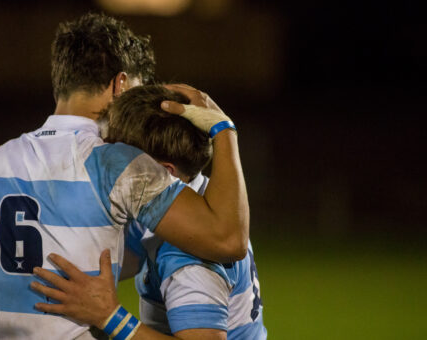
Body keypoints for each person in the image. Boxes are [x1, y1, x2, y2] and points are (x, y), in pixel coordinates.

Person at [0, 13, 249, 340]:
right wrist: (224, 129)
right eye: (138, 91)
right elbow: (228, 240)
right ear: (120, 84)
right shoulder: (121, 166)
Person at [31, 85, 266, 339]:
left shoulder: (188, 259)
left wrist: (109, 317)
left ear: (165, 172)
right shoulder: (194, 207)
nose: (112, 166)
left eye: (123, 160)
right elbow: (105, 259)